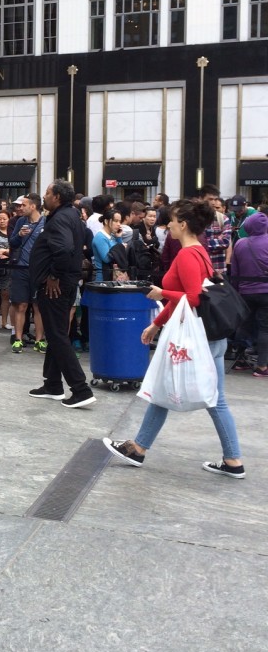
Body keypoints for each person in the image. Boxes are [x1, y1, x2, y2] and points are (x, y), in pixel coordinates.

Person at [103, 199, 246, 478]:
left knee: (174, 391)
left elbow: (192, 298)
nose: (168, 224)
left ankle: (139, 448)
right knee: (193, 396)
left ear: (183, 224)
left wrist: (162, 295)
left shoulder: (187, 255)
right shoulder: (198, 251)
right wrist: (156, 324)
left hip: (196, 338)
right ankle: (230, 459)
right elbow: (191, 296)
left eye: (172, 220)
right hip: (208, 337)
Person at [28, 180, 96, 408]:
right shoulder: (71, 215)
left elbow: (64, 249)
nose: (44, 196)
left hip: (55, 286)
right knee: (56, 333)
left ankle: (81, 389)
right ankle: (53, 384)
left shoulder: (60, 219)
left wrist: (54, 276)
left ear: (56, 197)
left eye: (47, 193)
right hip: (65, 283)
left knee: (57, 336)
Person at [230, 211, 268, 378]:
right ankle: (262, 366)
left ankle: (240, 359)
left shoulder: (240, 244)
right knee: (264, 328)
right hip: (266, 292)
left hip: (245, 291)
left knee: (244, 325)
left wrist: (237, 291)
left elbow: (235, 271)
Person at [8, 193, 47, 352]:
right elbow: (12, 242)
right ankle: (17, 339)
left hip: (39, 270)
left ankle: (39, 340)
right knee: (21, 305)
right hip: (21, 268)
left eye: (24, 205)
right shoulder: (20, 222)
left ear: (33, 206)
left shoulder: (46, 222)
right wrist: (19, 235)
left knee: (38, 306)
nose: (20, 208)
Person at [91, 208, 127, 281]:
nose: (119, 224)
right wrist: (120, 247)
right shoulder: (100, 237)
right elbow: (106, 259)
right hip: (103, 278)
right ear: (106, 221)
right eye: (116, 221)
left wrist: (119, 238)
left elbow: (121, 255)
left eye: (120, 221)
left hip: (113, 276)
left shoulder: (113, 235)